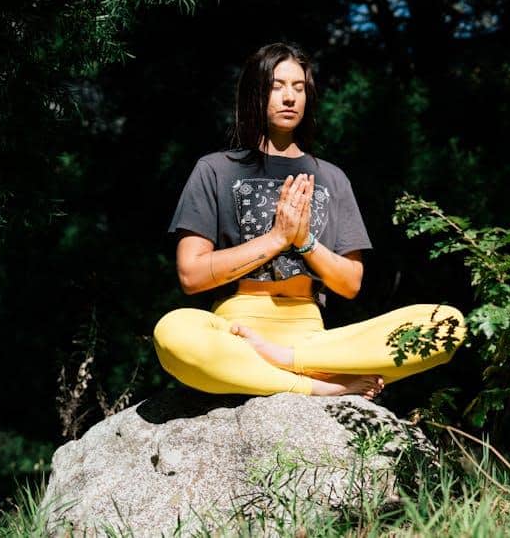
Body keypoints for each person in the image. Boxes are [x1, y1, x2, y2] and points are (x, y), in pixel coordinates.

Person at [152, 43, 467, 400]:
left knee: (446, 325)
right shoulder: (216, 169)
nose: (290, 98)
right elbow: (191, 275)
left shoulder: (332, 177)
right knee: (173, 332)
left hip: (311, 336)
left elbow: (349, 283)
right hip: (236, 332)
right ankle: (314, 385)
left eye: (298, 88)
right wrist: (277, 237)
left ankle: (286, 361)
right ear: (254, 92)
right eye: (277, 86)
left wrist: (304, 241)